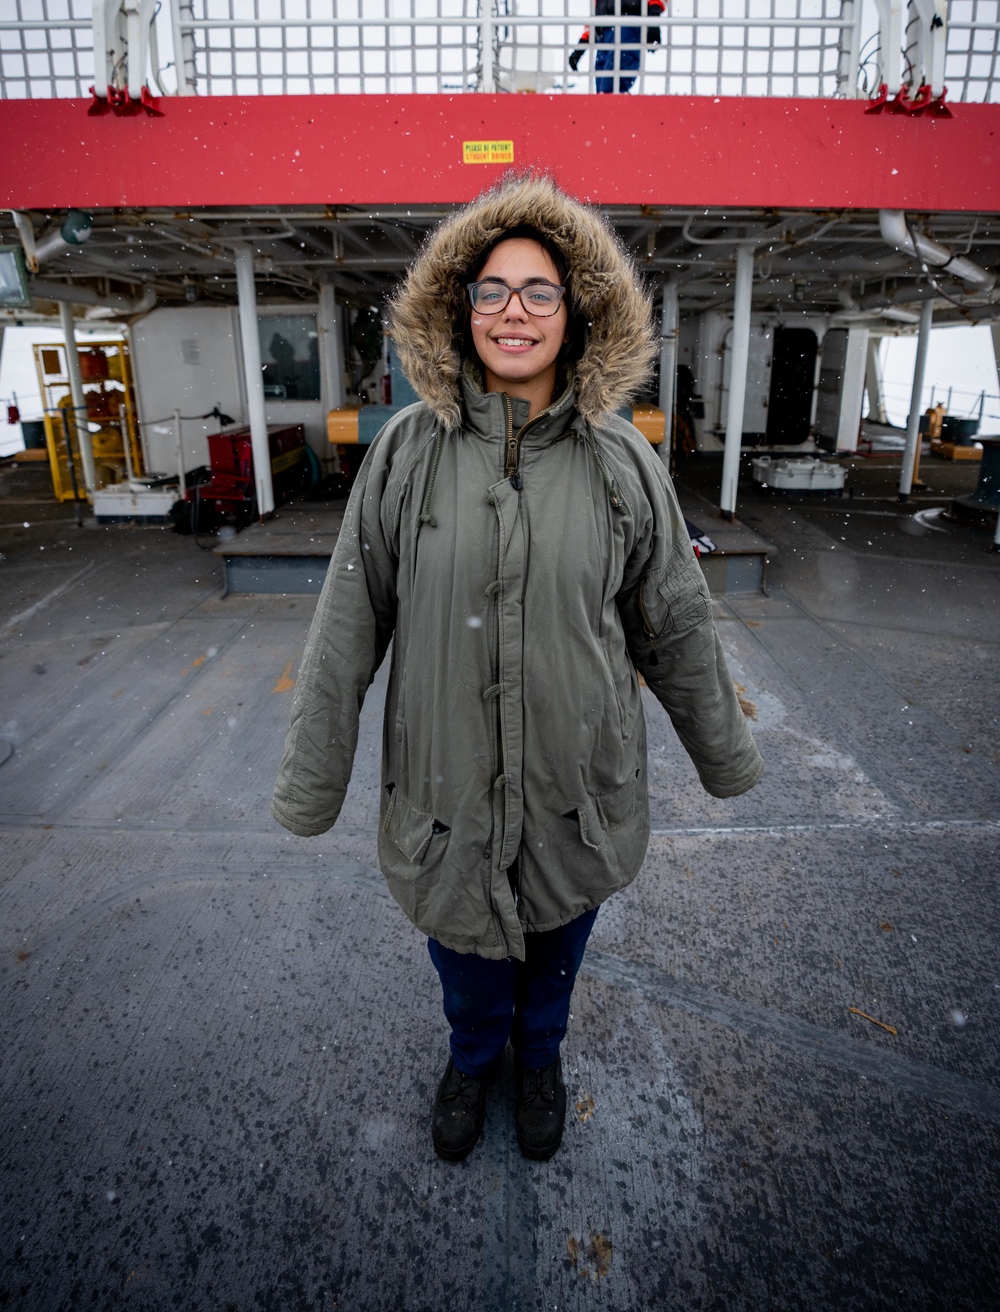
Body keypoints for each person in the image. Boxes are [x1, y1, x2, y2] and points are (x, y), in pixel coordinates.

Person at [271, 173, 762, 1164]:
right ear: (460, 308)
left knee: (552, 964)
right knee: (466, 969)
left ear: (577, 311)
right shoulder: (407, 454)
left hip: (575, 787)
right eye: (492, 289)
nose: (514, 312)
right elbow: (347, 621)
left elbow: (672, 619)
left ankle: (538, 1062)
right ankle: (469, 1060)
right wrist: (311, 780)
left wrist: (724, 754)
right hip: (445, 789)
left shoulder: (622, 462)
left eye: (540, 290)